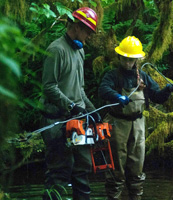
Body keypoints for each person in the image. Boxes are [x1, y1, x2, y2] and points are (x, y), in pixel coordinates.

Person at [98, 36, 173, 200]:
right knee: (116, 169)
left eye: (131, 60)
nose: (128, 63)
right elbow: (103, 90)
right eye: (125, 59)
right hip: (117, 124)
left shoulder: (143, 76)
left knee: (137, 167)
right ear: (120, 57)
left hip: (138, 125)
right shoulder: (112, 75)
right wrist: (117, 96)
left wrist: (169, 89)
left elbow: (157, 97)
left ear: (137, 60)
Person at [40, 7, 100, 200]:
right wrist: (71, 106)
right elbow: (49, 87)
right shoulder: (56, 50)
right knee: (59, 171)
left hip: (77, 122)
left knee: (82, 168)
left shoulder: (79, 52)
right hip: (55, 122)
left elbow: (80, 89)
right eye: (87, 32)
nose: (89, 37)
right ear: (76, 26)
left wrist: (92, 111)